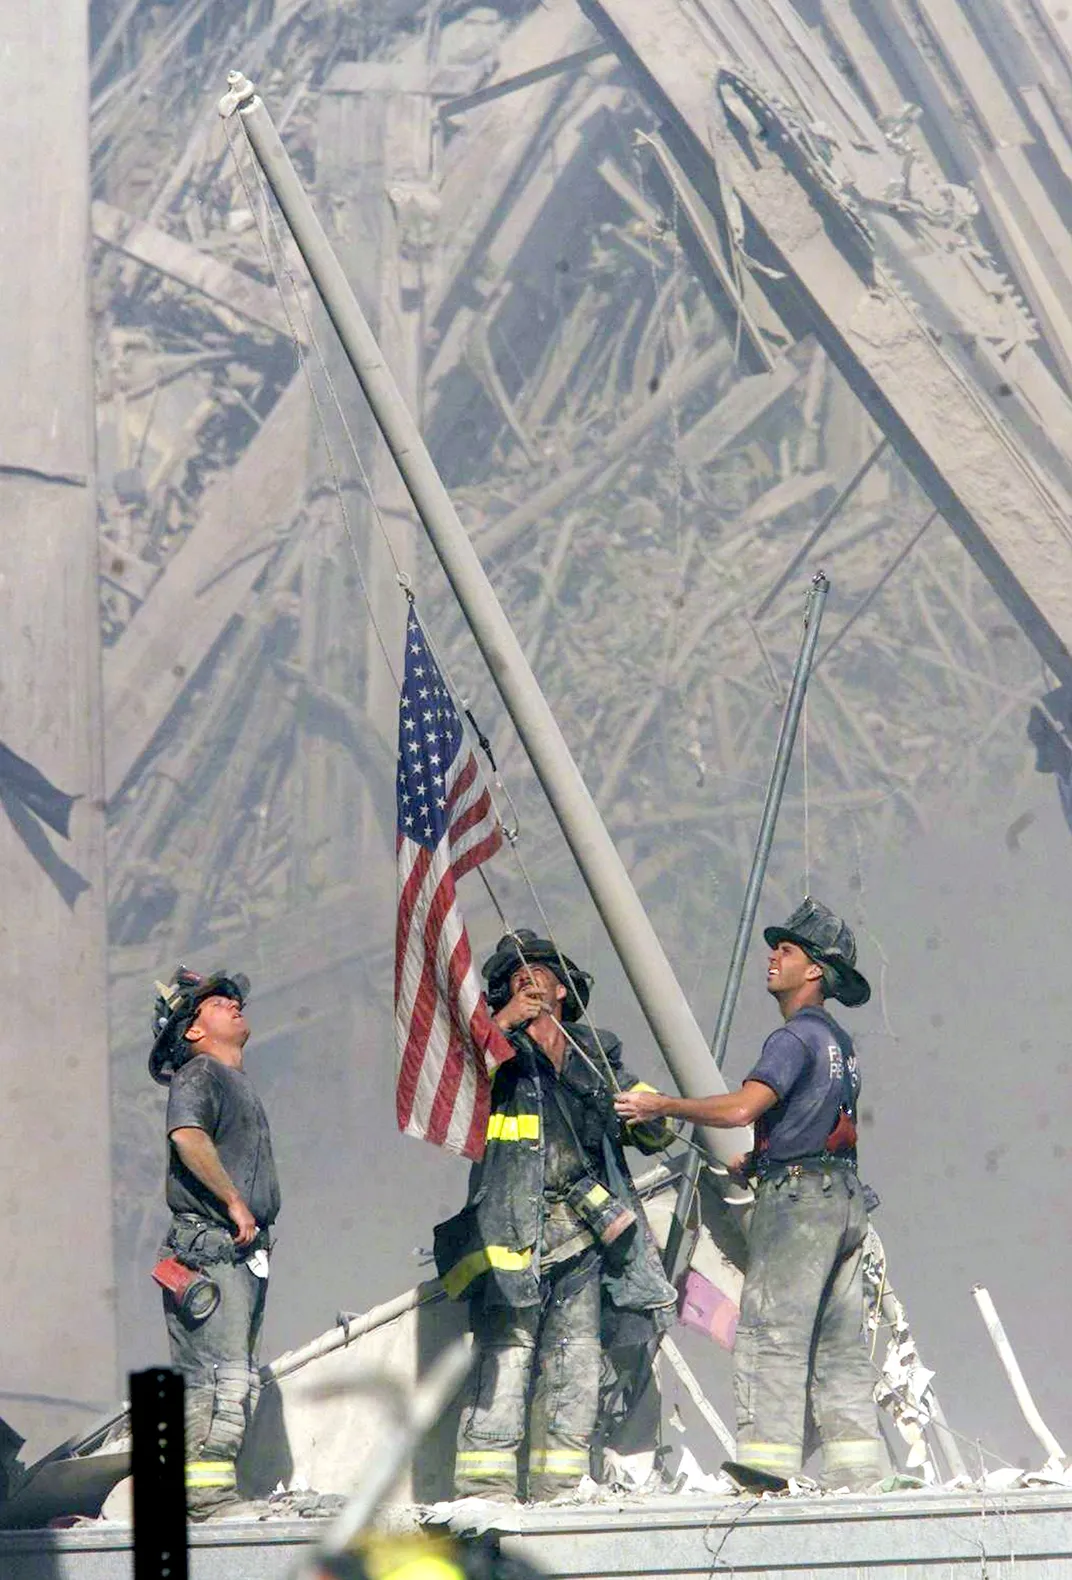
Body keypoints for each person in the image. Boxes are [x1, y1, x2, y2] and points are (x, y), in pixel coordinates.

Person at [614, 898, 885, 1492]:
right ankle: (861, 1471)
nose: (773, 957)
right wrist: (760, 1158)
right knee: (838, 1341)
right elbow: (819, 1119)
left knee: (771, 1332)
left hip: (799, 1205)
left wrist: (661, 1106)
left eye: (786, 950)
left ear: (814, 970)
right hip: (842, 1199)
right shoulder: (840, 1042)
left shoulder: (792, 1038)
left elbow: (741, 1108)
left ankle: (767, 1464)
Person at [435, 929, 678, 1502]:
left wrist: (643, 1111)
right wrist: (501, 1026)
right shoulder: (491, 1054)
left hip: (586, 1234)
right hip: (509, 1229)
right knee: (507, 1356)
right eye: (513, 976)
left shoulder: (597, 1054)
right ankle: (485, 1488)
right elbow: (452, 1087)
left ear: (564, 989)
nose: (525, 978)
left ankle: (560, 1484)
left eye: (537, 970)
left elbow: (657, 1130)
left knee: (576, 1362)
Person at [149, 966, 281, 1519]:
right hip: (209, 1248)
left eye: (232, 999)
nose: (232, 1004)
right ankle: (205, 1499)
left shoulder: (232, 1080)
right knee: (218, 1379)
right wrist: (231, 1199)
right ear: (193, 1031)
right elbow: (187, 1136)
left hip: (239, 1253)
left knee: (235, 1376)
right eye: (216, 1003)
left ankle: (213, 1493)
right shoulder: (200, 1072)